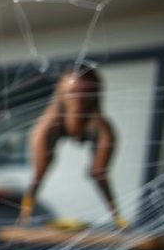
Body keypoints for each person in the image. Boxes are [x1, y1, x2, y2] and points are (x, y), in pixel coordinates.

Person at [19, 67, 127, 227]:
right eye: (73, 92)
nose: (79, 99)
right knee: (39, 173)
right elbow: (38, 172)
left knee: (99, 173)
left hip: (91, 125)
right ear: (62, 94)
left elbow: (99, 173)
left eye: (85, 93)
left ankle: (117, 216)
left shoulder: (102, 128)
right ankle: (24, 214)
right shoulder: (46, 127)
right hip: (56, 124)